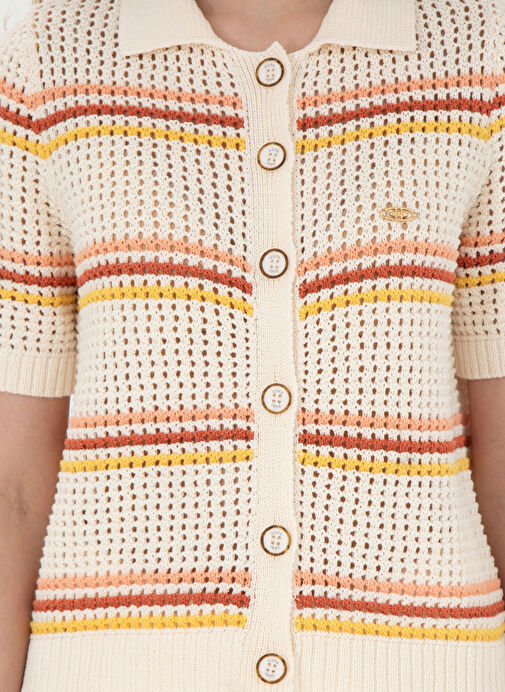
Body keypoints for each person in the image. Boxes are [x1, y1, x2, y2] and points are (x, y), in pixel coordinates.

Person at [1, 0, 504, 690]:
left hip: (422, 664)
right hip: (115, 666)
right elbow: (14, 487)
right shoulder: (51, 55)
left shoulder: (476, 51)